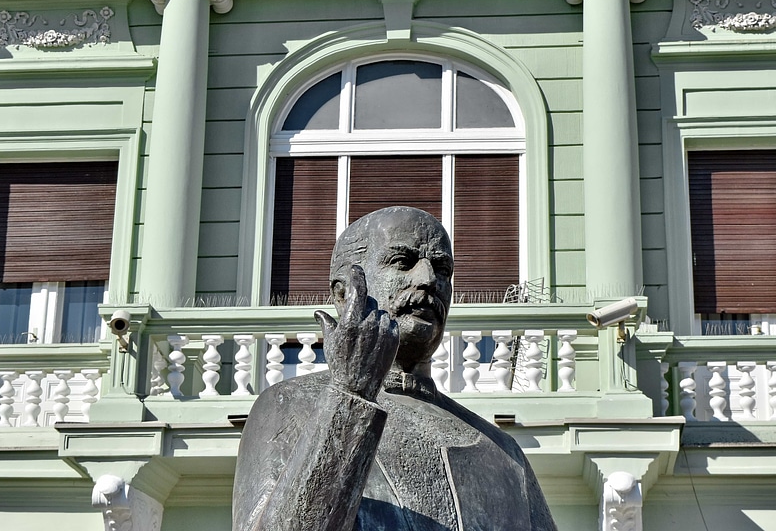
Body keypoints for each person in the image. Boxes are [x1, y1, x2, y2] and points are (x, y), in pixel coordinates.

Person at [233, 206, 557, 531]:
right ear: (345, 292)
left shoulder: (503, 453)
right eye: (402, 262)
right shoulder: (288, 405)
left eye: (443, 270)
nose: (428, 279)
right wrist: (350, 396)